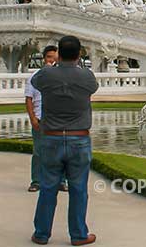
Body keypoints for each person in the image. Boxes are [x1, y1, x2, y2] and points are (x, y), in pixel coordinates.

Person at [29, 36, 98, 246]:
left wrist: (53, 66)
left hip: (51, 137)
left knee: (48, 187)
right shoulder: (87, 76)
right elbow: (93, 88)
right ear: (79, 55)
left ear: (59, 53)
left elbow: (35, 82)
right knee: (78, 189)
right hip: (79, 138)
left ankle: (41, 233)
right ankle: (78, 234)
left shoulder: (46, 74)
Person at [26, 45, 58, 192]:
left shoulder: (61, 76)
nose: (52, 60)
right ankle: (36, 181)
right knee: (38, 152)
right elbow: (28, 99)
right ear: (44, 59)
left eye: (55, 57)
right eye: (49, 57)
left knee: (59, 151)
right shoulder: (35, 76)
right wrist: (32, 118)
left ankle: (60, 181)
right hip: (40, 117)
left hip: (57, 118)